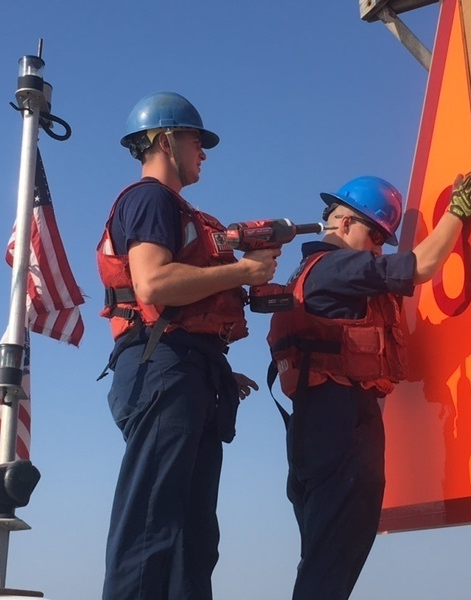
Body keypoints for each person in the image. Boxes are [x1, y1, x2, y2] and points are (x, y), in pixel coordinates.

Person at [267, 172, 471, 599]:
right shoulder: (338, 267)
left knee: (323, 555)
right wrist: (456, 214)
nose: (379, 248)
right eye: (375, 236)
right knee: (333, 558)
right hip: (341, 420)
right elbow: (422, 266)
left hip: (311, 427)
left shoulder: (307, 272)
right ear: (346, 224)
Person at [97, 91, 279, 600]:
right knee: (153, 526)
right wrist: (244, 271)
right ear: (165, 141)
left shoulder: (176, 208)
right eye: (196, 140)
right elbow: (152, 284)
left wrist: (216, 368)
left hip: (188, 369)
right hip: (163, 367)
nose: (204, 152)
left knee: (193, 539)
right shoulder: (150, 199)